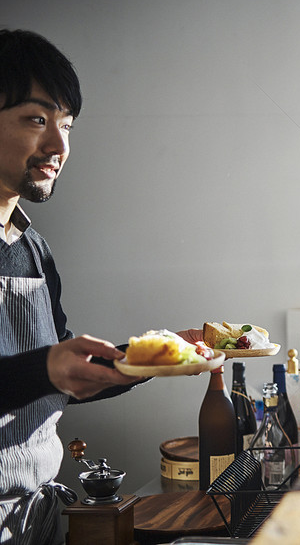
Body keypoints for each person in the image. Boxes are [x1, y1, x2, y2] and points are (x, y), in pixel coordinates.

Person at [0, 29, 198, 545]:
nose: (59, 146)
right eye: (37, 120)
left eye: (66, 125)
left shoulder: (34, 250)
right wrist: (47, 367)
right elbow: (46, 370)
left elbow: (60, 380)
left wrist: (151, 356)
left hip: (37, 518)